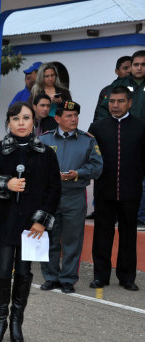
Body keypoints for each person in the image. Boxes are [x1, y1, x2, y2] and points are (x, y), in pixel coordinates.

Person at [0, 102, 60, 342]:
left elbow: (54, 190)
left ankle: (16, 322)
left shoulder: (46, 153)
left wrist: (42, 221)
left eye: (26, 118)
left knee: (23, 272)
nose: (21, 123)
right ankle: (0, 320)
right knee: (2, 271)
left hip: (32, 225)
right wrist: (5, 184)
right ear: (8, 122)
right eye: (15, 118)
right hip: (4, 221)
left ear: (34, 121)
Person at [39, 101, 103, 294]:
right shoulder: (45, 140)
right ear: (57, 119)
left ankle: (67, 279)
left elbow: (97, 167)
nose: (74, 119)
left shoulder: (87, 140)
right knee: (50, 238)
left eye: (75, 115)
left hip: (74, 195)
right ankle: (50, 277)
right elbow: (35, 166)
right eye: (69, 116)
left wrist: (78, 173)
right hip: (51, 196)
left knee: (72, 240)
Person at [88, 86, 145, 292]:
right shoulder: (97, 127)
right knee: (102, 235)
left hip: (131, 191)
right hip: (104, 190)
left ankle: (127, 277)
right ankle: (100, 276)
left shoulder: (140, 127)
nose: (115, 105)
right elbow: (91, 159)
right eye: (112, 101)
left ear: (130, 103)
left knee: (128, 235)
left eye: (120, 101)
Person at [96, 50, 145, 121]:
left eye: (143, 64)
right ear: (131, 66)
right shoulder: (118, 84)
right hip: (122, 130)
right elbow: (104, 110)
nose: (139, 68)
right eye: (136, 64)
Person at [92, 56, 132, 123]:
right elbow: (98, 116)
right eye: (125, 68)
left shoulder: (139, 88)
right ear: (116, 71)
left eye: (131, 68)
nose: (129, 71)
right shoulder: (107, 90)